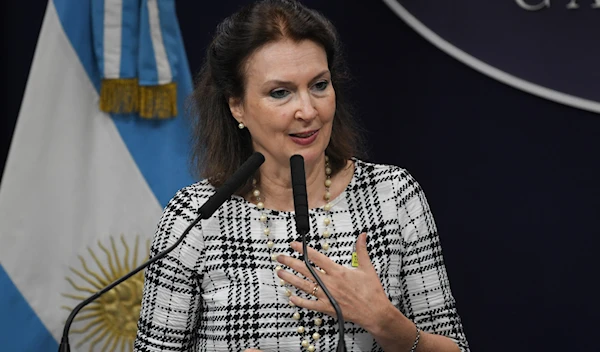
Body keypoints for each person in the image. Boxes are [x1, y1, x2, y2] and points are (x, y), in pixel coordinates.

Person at [134, 0, 470, 351]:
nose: (308, 111)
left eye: (319, 85)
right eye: (280, 93)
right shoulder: (196, 216)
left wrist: (385, 322)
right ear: (237, 106)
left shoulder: (393, 196)